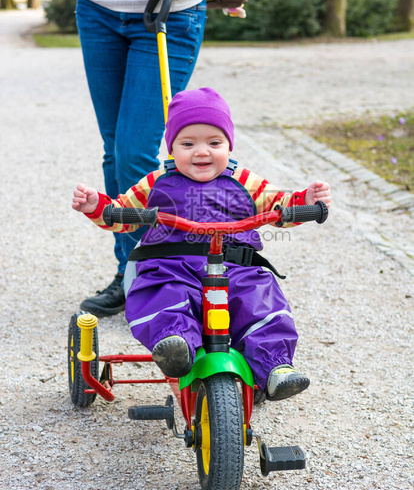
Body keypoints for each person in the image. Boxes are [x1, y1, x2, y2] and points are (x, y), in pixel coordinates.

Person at [20, 0, 243, 316]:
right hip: (98, 10)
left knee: (135, 151)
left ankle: (155, 275)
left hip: (169, 11)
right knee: (114, 148)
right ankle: (130, 272)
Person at [72, 87, 331, 401]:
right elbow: (122, 216)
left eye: (214, 142)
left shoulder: (245, 181)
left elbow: (280, 207)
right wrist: (97, 206)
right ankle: (176, 346)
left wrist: (306, 201)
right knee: (164, 297)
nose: (202, 152)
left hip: (235, 267)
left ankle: (275, 367)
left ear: (229, 145)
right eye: (187, 143)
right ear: (172, 148)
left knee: (261, 299)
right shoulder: (156, 182)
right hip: (171, 266)